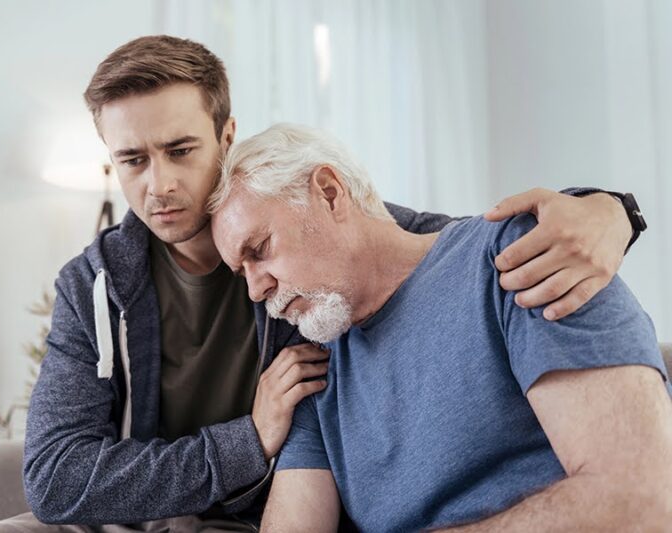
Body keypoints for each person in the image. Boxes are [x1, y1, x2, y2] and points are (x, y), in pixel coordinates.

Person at [0, 36, 640, 532]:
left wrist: (612, 210)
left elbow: (427, 249)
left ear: (226, 134)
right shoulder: (94, 284)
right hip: (141, 513)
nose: (157, 184)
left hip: (252, 513)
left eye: (180, 150)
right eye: (131, 159)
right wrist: (248, 439)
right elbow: (54, 477)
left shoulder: (317, 249)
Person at [208, 123, 672, 533]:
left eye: (260, 248)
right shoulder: (315, 370)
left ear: (329, 193)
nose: (254, 289)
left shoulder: (518, 259)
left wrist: (613, 210)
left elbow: (642, 501)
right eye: (240, 271)